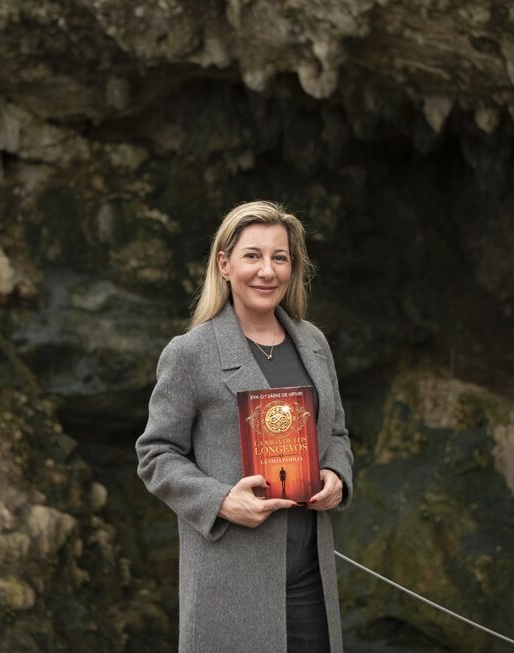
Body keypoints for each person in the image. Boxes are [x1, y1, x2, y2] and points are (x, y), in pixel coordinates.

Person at [136, 200, 354, 652]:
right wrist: (219, 501)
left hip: (311, 575)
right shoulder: (189, 353)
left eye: (280, 257)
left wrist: (336, 476)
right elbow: (156, 454)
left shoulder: (313, 343)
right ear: (225, 264)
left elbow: (335, 433)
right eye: (252, 255)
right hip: (230, 582)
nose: (267, 271)